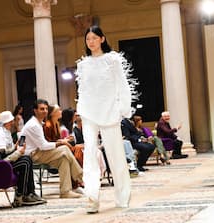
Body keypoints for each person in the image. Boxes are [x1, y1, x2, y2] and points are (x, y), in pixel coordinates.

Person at [75, 26, 133, 213]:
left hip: (109, 111)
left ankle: (122, 196)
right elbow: (82, 89)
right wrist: (80, 110)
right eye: (88, 39)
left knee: (116, 155)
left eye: (94, 38)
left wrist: (123, 109)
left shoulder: (112, 60)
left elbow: (122, 85)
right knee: (90, 154)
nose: (90, 41)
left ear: (102, 39)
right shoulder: (83, 64)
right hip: (89, 112)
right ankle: (92, 197)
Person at [21, 99, 83, 199]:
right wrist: (59, 143)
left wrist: (60, 142)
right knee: (65, 149)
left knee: (64, 160)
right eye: (42, 109)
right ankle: (80, 175)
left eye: (46, 109)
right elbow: (43, 146)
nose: (45, 111)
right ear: (35, 110)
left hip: (39, 152)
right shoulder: (34, 125)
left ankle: (65, 191)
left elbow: (42, 144)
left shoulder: (38, 123)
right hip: (33, 154)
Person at [0, 111, 46, 206]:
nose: (13, 123)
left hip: (3, 161)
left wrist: (15, 148)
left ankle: (29, 193)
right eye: (12, 121)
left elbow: (6, 151)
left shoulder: (6, 132)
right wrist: (17, 152)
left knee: (26, 159)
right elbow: (2, 154)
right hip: (0, 165)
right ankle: (21, 195)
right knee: (25, 162)